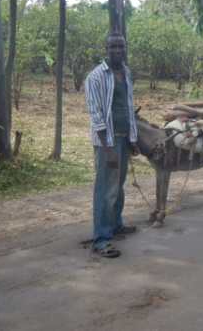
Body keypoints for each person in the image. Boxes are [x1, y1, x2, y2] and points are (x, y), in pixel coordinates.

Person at [85, 34, 140, 258]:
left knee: (118, 186)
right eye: (113, 46)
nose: (117, 50)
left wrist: (133, 139)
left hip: (124, 138)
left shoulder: (125, 72)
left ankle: (116, 225)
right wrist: (108, 147)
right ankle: (101, 239)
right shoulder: (95, 77)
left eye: (121, 46)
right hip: (107, 141)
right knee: (105, 189)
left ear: (125, 49)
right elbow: (95, 113)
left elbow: (128, 107)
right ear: (105, 49)